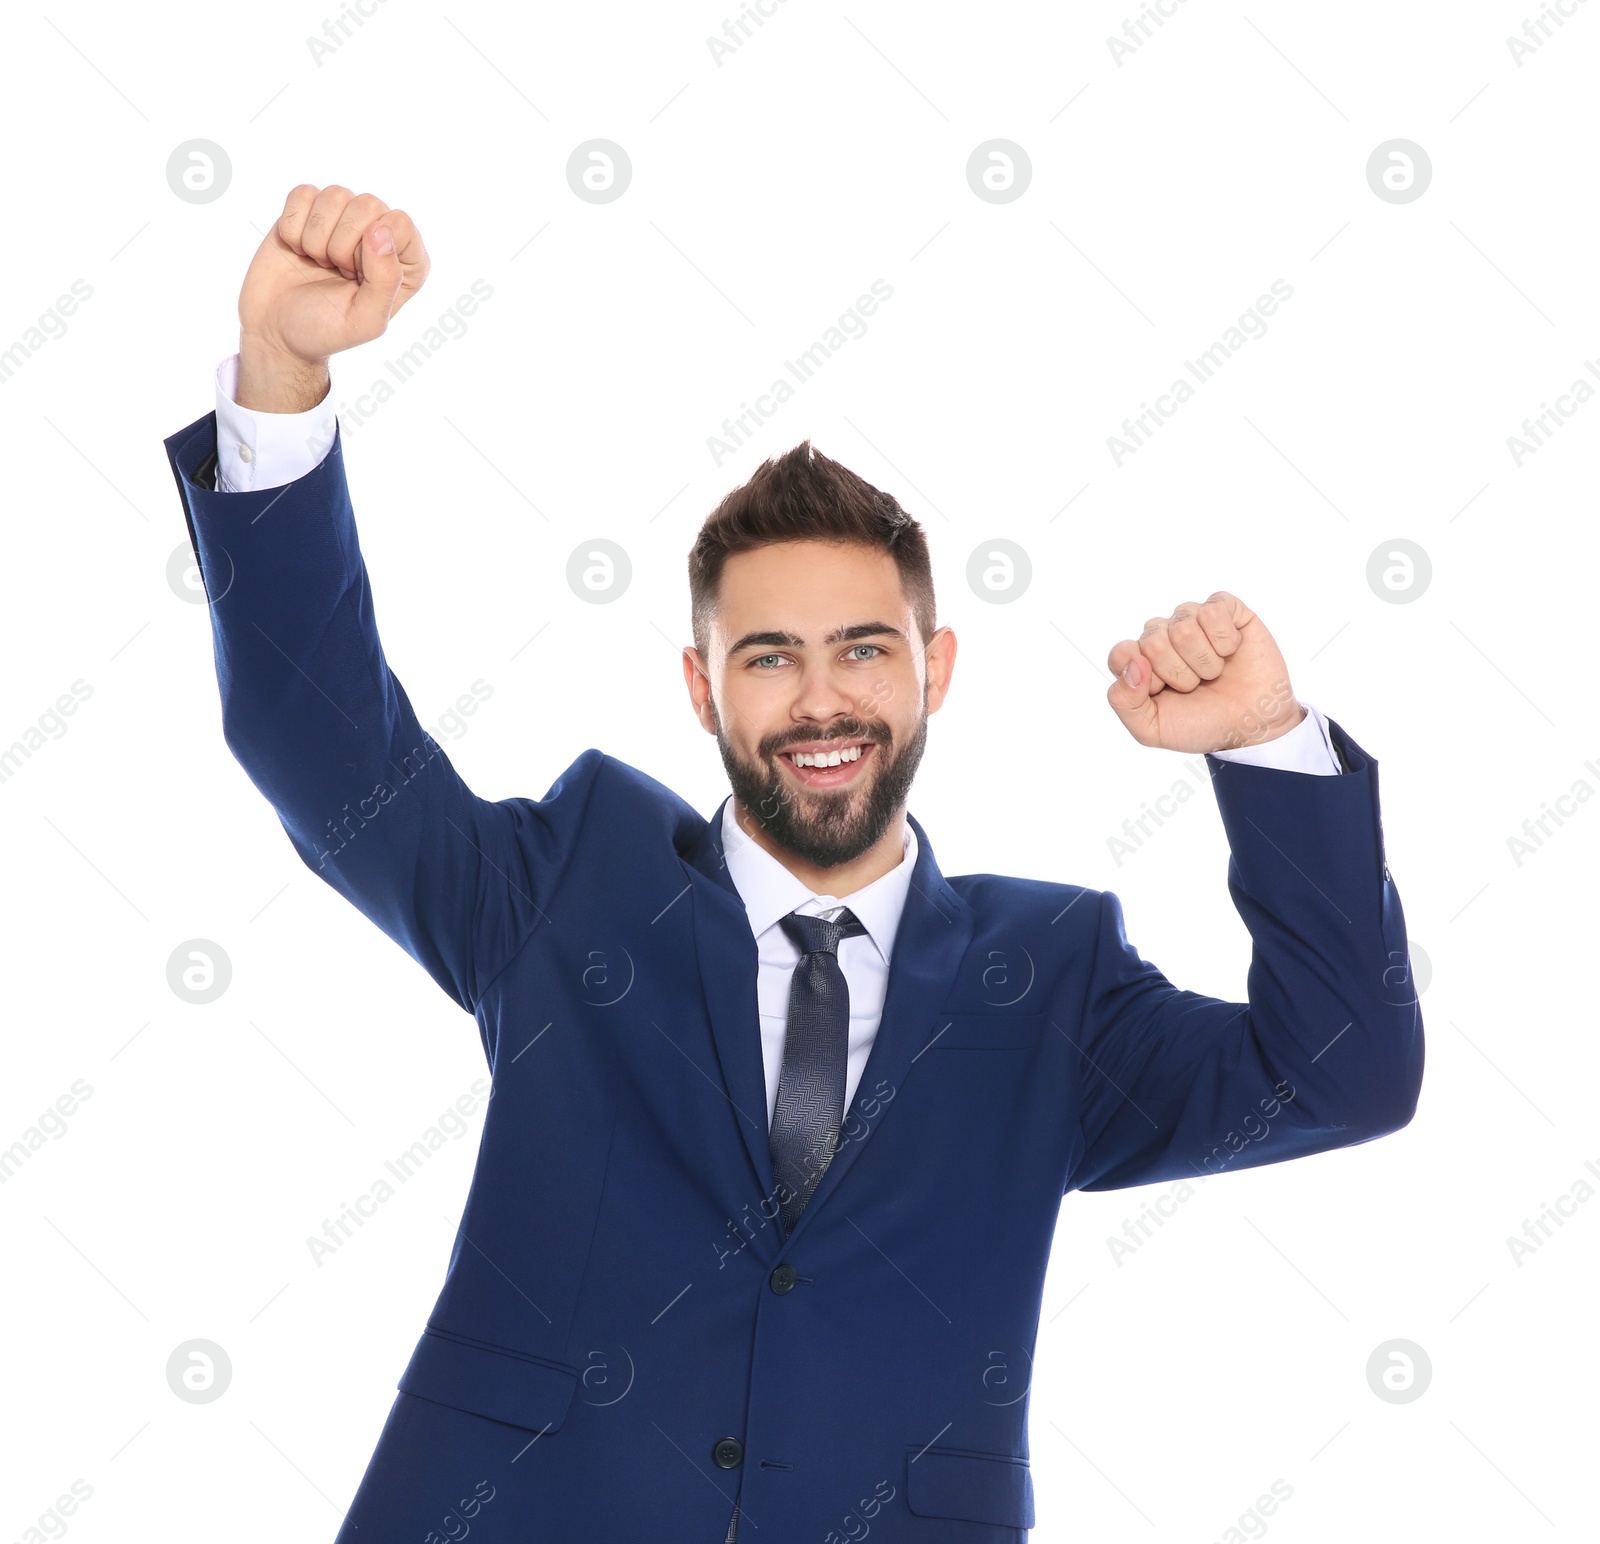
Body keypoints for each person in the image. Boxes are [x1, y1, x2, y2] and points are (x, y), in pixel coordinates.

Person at [162, 184, 1424, 1543]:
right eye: (768, 657)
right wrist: (283, 379)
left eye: (864, 650)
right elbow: (323, 745)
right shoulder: (567, 888)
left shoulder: (1050, 986)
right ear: (703, 691)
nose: (822, 702)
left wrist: (1268, 749)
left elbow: (1341, 1077)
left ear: (935, 670)